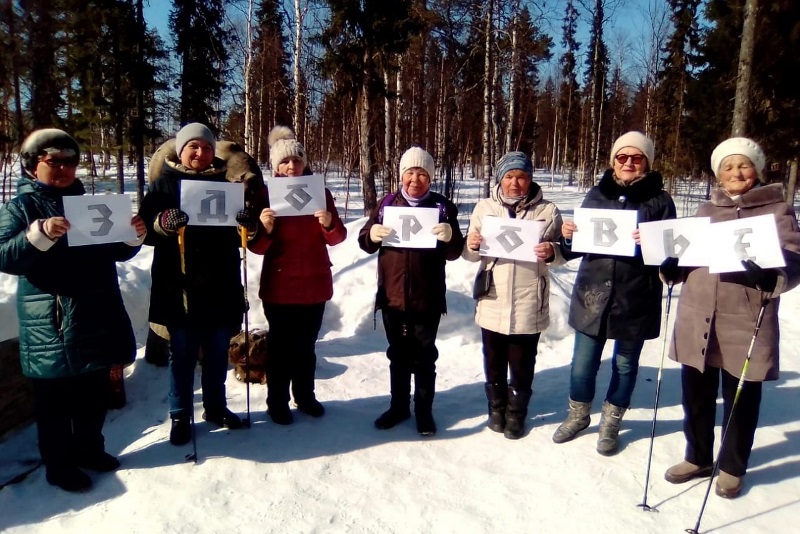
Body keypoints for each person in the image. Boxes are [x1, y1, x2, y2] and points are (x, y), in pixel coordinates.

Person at [0, 128, 145, 492]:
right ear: (34, 166)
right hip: (52, 321)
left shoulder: (87, 204)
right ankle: (59, 465)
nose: (64, 168)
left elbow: (114, 251)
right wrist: (39, 234)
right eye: (54, 161)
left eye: (70, 161)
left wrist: (132, 236)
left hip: (95, 314)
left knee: (93, 394)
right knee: (54, 404)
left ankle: (89, 449)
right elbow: (4, 254)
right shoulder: (21, 207)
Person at [660, 137, 800, 498]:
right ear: (718, 174)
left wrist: (774, 276)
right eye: (727, 166)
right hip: (697, 314)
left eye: (743, 165)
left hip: (746, 319)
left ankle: (732, 466)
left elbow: (795, 258)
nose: (736, 172)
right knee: (696, 394)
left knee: (740, 398)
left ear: (757, 168)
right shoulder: (706, 210)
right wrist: (672, 267)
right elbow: (686, 255)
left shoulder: (777, 210)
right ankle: (698, 456)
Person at [552, 131, 676, 455]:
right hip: (593, 295)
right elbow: (576, 248)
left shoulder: (660, 201)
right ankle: (578, 415)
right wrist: (568, 236)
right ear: (613, 161)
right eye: (622, 157)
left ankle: (610, 423)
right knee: (582, 364)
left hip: (637, 297)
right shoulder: (597, 194)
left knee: (624, 365)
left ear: (647, 162)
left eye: (636, 158)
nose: (629, 163)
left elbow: (671, 254)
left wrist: (651, 243)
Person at [138, 123, 245, 447]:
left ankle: (215, 407)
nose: (200, 153)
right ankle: (180, 414)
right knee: (182, 354)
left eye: (207, 147)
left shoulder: (226, 185)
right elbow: (144, 233)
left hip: (220, 284)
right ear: (181, 150)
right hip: (180, 286)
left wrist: (245, 223)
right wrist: (162, 224)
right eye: (193, 147)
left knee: (216, 353)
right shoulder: (163, 186)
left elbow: (238, 236)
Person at [358, 146, 464, 436]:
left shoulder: (442, 207)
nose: (415, 180)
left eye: (422, 174)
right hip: (392, 296)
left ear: (429, 179)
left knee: (424, 355)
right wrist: (372, 234)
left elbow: (456, 252)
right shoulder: (387, 204)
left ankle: (423, 410)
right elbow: (364, 242)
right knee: (398, 354)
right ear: (401, 176)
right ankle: (399, 406)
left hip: (426, 298)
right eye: (409, 173)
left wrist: (451, 236)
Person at [245, 126, 347, 425]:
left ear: (305, 163)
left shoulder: (321, 194)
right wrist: (264, 228)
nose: (291, 166)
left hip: (314, 284)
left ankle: (305, 396)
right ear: (275, 166)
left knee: (306, 348)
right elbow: (257, 248)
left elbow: (337, 238)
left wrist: (329, 223)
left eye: (297, 160)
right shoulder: (266, 196)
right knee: (279, 349)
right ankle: (277, 402)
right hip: (279, 285)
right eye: (284, 162)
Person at [462, 151, 565, 439]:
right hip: (493, 296)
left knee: (522, 362)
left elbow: (562, 253)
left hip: (529, 298)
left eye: (521, 176)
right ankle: (496, 407)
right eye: (509, 176)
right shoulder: (484, 208)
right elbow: (469, 256)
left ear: (530, 178)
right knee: (493, 358)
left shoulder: (547, 211)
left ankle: (517, 412)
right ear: (500, 179)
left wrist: (552, 252)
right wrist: (471, 244)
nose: (515, 183)